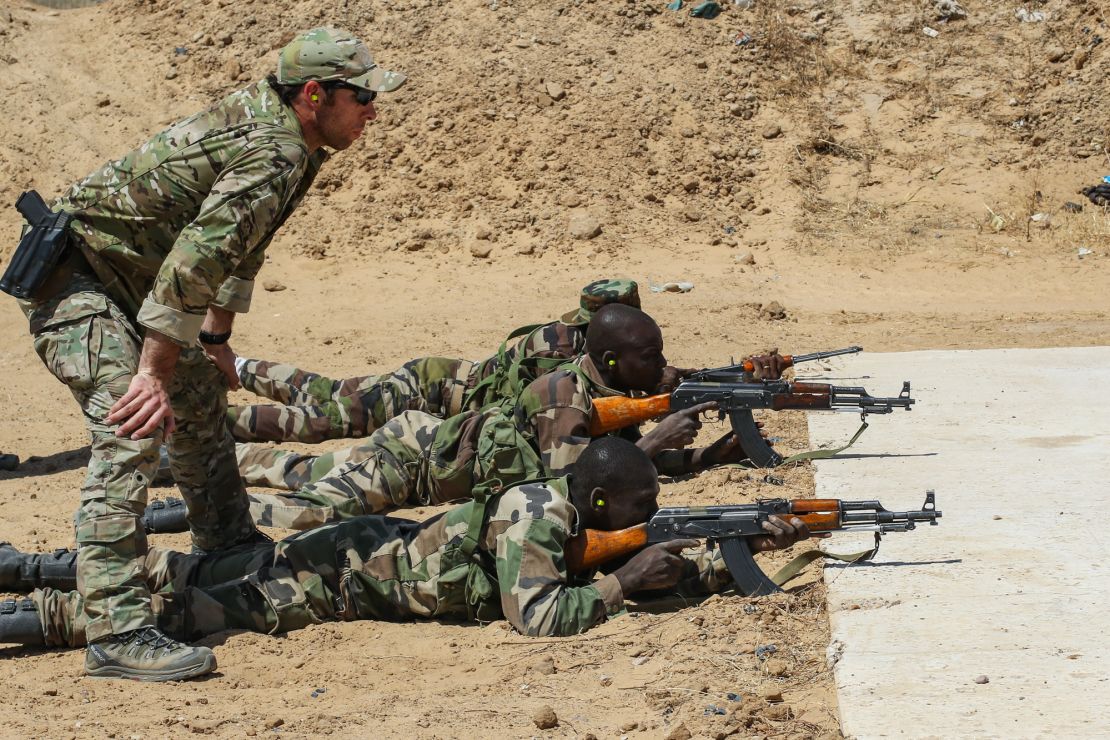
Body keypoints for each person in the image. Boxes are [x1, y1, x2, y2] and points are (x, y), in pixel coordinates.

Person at [7, 27, 405, 681]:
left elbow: (237, 246)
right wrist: (150, 371)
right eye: (361, 97)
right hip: (74, 285)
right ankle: (118, 630)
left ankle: (226, 544)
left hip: (127, 285)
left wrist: (212, 342)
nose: (372, 110)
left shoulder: (296, 141)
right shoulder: (275, 147)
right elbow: (194, 263)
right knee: (132, 426)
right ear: (314, 94)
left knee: (196, 394)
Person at [0, 438, 814, 644]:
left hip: (361, 548)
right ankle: (30, 614)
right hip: (341, 579)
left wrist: (734, 551)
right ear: (598, 499)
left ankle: (23, 566)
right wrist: (623, 584)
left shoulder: (563, 506)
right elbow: (536, 619)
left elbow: (634, 554)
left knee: (190, 568)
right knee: (184, 610)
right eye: (635, 510)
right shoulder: (537, 522)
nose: (640, 522)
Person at [204, 304, 782, 531]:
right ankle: (197, 471)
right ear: (610, 357)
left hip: (429, 444)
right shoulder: (563, 391)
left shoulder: (609, 388)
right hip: (418, 449)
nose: (660, 364)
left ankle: (215, 456)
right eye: (648, 354)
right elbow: (573, 484)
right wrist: (654, 441)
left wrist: (706, 451)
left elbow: (618, 461)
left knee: (305, 471)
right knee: (310, 492)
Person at [223, 279, 643, 444]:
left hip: (437, 379)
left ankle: (240, 367)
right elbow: (559, 418)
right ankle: (217, 424)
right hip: (424, 396)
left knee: (328, 393)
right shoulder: (558, 354)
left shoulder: (578, 343)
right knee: (319, 418)